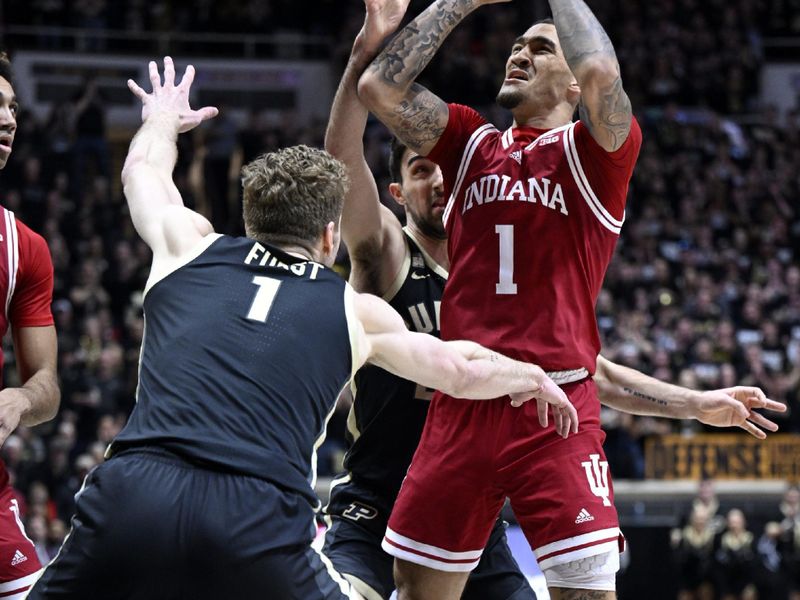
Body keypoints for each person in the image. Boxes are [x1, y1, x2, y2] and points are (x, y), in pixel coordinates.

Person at [26, 57, 577, 600]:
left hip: (135, 490)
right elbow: (460, 369)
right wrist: (531, 375)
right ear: (329, 238)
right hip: (256, 513)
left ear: (250, 220)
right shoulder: (351, 307)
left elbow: (141, 171)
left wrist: (164, 117)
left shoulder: (187, 245)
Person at [324, 3, 787, 599]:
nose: (520, 52)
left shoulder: (597, 156)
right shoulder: (471, 146)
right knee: (417, 591)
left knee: (586, 594)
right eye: (517, 45)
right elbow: (378, 86)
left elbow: (598, 70)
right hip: (463, 401)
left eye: (541, 48)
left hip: (557, 405)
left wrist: (692, 403)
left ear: (570, 83)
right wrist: (456, 2)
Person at [0, 52, 60, 600]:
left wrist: (20, 399)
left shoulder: (25, 248)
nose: (8, 119)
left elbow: (47, 384)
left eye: (12, 106)